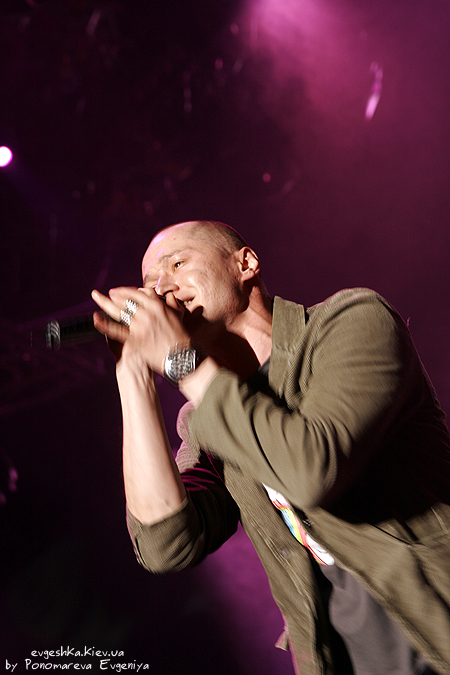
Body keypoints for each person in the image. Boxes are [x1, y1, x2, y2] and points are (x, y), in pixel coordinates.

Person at [91, 220, 450, 675]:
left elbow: (311, 470)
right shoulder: (204, 419)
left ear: (246, 264)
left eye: (176, 265)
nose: (159, 289)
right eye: (149, 282)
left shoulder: (351, 321)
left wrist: (181, 361)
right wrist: (132, 373)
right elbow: (166, 544)